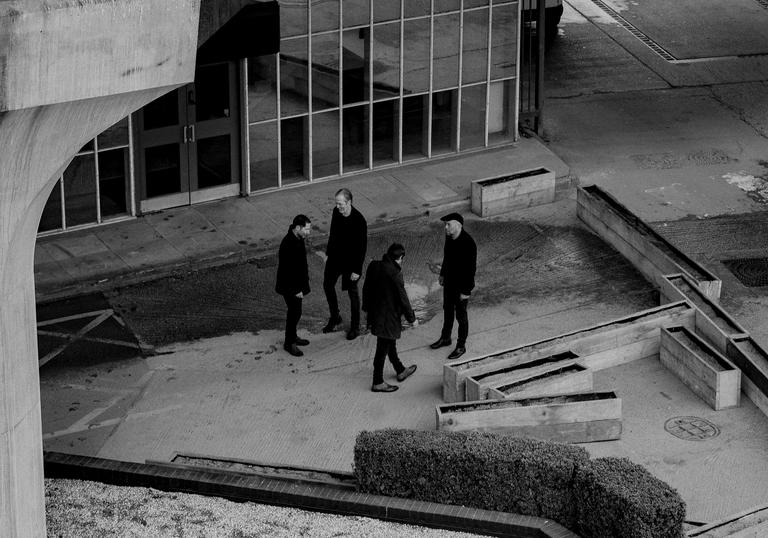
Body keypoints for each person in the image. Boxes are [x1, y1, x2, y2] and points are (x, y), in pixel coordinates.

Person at [362, 243, 418, 393]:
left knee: (389, 343)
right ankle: (377, 381)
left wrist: (366, 309)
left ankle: (400, 370)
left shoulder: (374, 265)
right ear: (400, 258)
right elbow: (403, 299)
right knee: (382, 348)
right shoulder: (395, 274)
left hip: (376, 313)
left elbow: (366, 288)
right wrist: (412, 319)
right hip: (388, 317)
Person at [430, 212, 477, 360]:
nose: (445, 227)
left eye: (448, 224)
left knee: (461, 317)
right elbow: (447, 257)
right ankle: (446, 338)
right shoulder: (449, 238)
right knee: (447, 311)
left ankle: (461, 346)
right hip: (449, 283)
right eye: (445, 224)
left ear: (458, 225)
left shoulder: (468, 244)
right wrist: (442, 274)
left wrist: (466, 291)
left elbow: (471, 270)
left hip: (461, 286)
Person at [322, 188, 368, 341]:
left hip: (350, 263)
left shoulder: (359, 221)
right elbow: (333, 233)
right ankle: (335, 317)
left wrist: (357, 270)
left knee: (353, 294)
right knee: (327, 285)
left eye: (340, 204)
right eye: (336, 204)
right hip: (335, 258)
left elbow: (361, 248)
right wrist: (328, 253)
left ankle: (355, 327)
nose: (338, 207)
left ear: (349, 202)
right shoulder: (337, 213)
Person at [275, 214, 312, 357]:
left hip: (297, 285)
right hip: (291, 287)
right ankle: (289, 343)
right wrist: (297, 290)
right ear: (298, 228)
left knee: (296, 312)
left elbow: (301, 265)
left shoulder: (298, 237)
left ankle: (293, 337)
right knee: (294, 313)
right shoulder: (288, 243)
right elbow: (288, 270)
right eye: (307, 229)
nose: (308, 232)